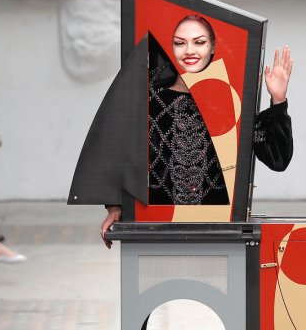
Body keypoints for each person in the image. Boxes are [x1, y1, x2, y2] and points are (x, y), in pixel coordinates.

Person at [100, 16, 294, 246]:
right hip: (155, 228)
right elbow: (121, 152)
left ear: (213, 46)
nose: (189, 50)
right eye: (179, 43)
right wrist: (115, 206)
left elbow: (278, 160)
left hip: (218, 230)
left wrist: (278, 100)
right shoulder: (148, 97)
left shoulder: (232, 95)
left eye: (199, 42)